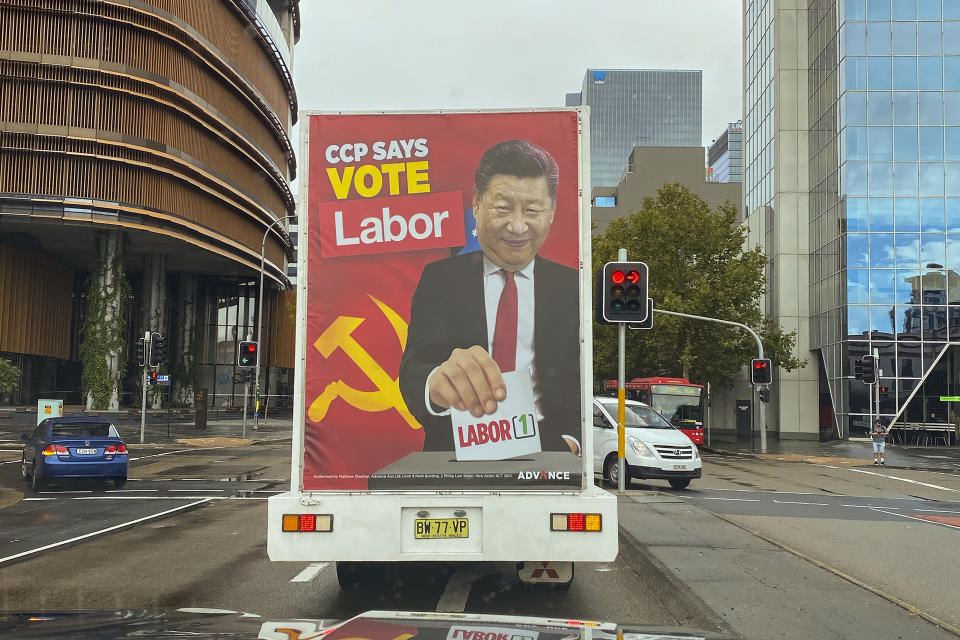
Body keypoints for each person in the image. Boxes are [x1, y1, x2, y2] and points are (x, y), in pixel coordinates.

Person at [398, 139, 579, 453]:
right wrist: (436, 384)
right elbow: (414, 369)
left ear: (551, 212)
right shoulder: (440, 279)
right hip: (455, 449)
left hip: (545, 451)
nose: (518, 226)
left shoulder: (571, 287)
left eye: (533, 210)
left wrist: (571, 442)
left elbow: (581, 376)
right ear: (478, 204)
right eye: (503, 208)